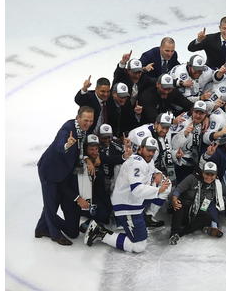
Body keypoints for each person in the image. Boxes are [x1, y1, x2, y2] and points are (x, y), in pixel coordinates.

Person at [84, 136, 172, 253]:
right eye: (148, 149)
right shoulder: (136, 163)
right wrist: (157, 190)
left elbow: (152, 169)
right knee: (139, 246)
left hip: (136, 202)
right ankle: (100, 232)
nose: (151, 153)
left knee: (167, 186)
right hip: (127, 206)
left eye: (153, 150)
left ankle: (148, 216)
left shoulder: (147, 159)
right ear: (141, 148)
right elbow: (136, 189)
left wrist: (159, 173)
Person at [35, 106, 94, 245]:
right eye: (86, 120)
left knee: (53, 202)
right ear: (78, 118)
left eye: (91, 120)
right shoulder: (67, 129)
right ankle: (55, 234)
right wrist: (67, 146)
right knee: (50, 205)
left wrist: (86, 158)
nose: (89, 123)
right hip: (50, 171)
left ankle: (40, 229)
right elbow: (59, 144)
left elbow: (81, 147)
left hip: (61, 172)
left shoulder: (84, 128)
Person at [168, 161, 226, 245]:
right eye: (207, 174)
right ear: (202, 172)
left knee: (208, 216)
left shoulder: (217, 184)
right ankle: (174, 233)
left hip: (197, 214)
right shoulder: (192, 178)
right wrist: (174, 200)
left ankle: (181, 233)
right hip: (184, 211)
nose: (209, 177)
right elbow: (178, 190)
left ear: (216, 174)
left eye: (212, 175)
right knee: (179, 205)